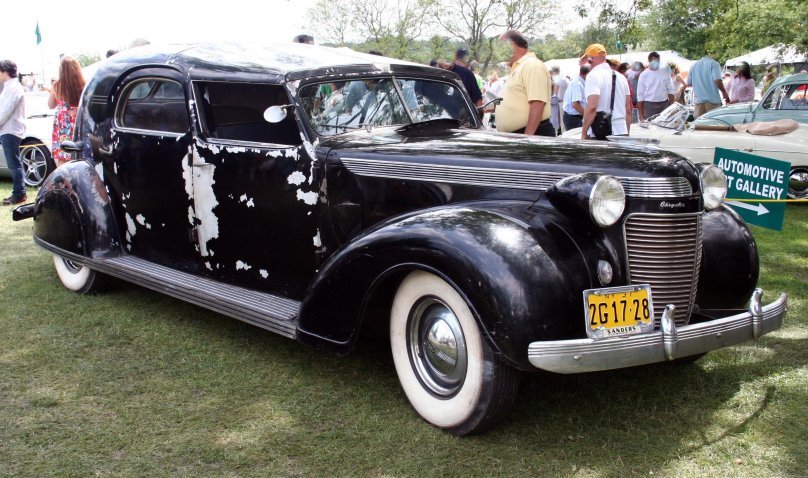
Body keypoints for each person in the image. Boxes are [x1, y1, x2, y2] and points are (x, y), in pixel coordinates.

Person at [494, 30, 554, 136]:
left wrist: (527, 139)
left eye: (501, 46)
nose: (497, 53)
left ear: (512, 45)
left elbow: (538, 102)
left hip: (532, 134)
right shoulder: (519, 67)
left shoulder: (532, 65)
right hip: (518, 136)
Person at [581, 44, 631, 140]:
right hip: (621, 131)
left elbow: (592, 107)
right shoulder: (621, 77)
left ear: (590, 59)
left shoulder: (593, 76)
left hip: (601, 132)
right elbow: (628, 110)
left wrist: (584, 133)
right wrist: (626, 133)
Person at [44, 56, 86, 167]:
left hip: (62, 126)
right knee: (79, 156)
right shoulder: (83, 84)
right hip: (78, 122)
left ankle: (65, 182)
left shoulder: (57, 85)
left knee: (63, 156)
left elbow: (50, 105)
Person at [0, 60, 27, 205]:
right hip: (7, 129)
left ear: (4, 71)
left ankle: (19, 193)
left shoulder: (14, 88)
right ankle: (18, 192)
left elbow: (5, 111)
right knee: (13, 163)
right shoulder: (9, 87)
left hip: (11, 130)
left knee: (14, 164)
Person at [636, 52, 676, 122]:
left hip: (664, 104)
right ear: (649, 61)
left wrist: (671, 106)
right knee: (651, 126)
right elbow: (640, 95)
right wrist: (641, 117)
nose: (656, 62)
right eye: (654, 60)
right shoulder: (643, 75)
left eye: (658, 61)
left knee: (664, 125)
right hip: (649, 104)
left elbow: (671, 89)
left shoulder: (665, 72)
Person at [687, 53, 729, 118]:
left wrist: (699, 83)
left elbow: (689, 83)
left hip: (698, 101)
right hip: (712, 101)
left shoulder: (693, 65)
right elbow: (717, 80)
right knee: (713, 125)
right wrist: (724, 92)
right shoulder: (714, 64)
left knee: (699, 126)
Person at [562, 64, 590, 130]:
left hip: (576, 117)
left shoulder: (580, 82)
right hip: (574, 118)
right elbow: (576, 104)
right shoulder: (577, 83)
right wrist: (587, 116)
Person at [550, 65, 568, 135]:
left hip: (555, 103)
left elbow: (554, 94)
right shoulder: (565, 79)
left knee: (554, 122)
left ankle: (556, 135)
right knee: (563, 123)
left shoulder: (554, 80)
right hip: (563, 102)